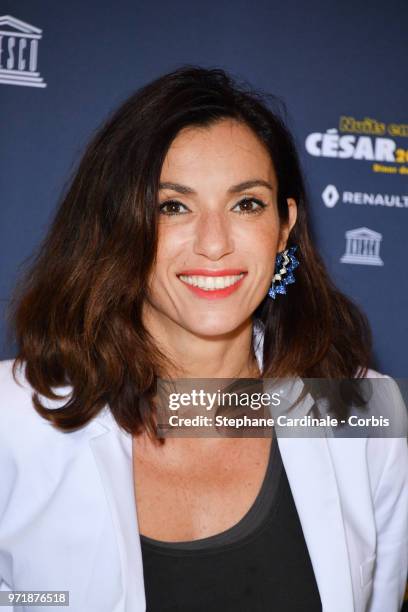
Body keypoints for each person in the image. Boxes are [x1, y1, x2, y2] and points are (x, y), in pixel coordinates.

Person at [0, 65, 407, 612]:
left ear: (285, 225)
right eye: (174, 206)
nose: (214, 243)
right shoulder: (13, 421)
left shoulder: (363, 411)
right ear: (121, 223)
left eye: (246, 204)